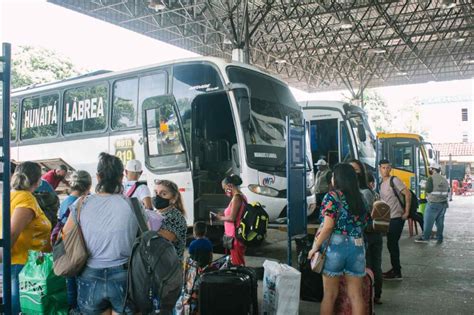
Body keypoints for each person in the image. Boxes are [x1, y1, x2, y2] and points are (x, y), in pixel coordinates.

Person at [63, 153, 137, 314]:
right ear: (121, 176)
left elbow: (66, 234)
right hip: (124, 275)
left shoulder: (81, 203)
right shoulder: (133, 205)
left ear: (98, 176)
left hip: (89, 273)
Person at [308, 163, 368, 315]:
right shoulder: (360, 197)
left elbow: (328, 226)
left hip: (335, 247)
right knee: (356, 296)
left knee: (330, 295)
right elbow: (365, 223)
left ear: (338, 178)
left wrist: (315, 247)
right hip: (357, 247)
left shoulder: (332, 197)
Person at [10, 162, 52, 314]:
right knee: (23, 308)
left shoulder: (12, 195)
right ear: (38, 180)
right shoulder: (25, 199)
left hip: (21, 263)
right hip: (23, 265)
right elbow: (12, 233)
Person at [57, 170, 92, 313]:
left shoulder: (65, 201)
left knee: (70, 284)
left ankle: (72, 309)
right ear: (88, 186)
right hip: (79, 249)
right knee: (80, 285)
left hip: (66, 248)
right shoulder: (82, 203)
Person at [350, 160, 383, 305]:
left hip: (369, 234)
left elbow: (366, 215)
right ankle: (373, 296)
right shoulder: (369, 191)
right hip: (372, 233)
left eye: (355, 170)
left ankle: (372, 296)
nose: (352, 173)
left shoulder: (363, 192)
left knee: (370, 266)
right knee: (372, 265)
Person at [378, 159, 410, 281]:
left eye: (388, 167)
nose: (386, 170)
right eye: (383, 167)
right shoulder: (381, 183)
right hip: (388, 218)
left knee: (392, 244)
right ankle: (395, 269)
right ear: (379, 168)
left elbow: (407, 194)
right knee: (391, 245)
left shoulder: (394, 180)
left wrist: (406, 212)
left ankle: (397, 272)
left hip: (397, 217)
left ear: (390, 168)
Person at [415, 162, 449, 244]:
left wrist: (424, 185)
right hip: (443, 204)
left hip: (433, 203)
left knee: (428, 222)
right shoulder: (444, 179)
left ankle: (425, 238)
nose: (430, 170)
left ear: (433, 169)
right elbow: (448, 190)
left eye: (430, 169)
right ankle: (439, 237)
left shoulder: (431, 178)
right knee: (440, 222)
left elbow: (429, 190)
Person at [216, 174, 246, 266]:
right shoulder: (239, 196)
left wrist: (221, 218)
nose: (225, 191)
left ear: (230, 185)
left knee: (238, 264)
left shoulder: (237, 198)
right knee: (237, 260)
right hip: (235, 235)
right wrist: (224, 214)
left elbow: (232, 217)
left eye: (225, 188)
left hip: (235, 236)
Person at [155, 179, 187, 261]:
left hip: (170, 267)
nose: (158, 197)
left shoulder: (175, 216)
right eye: (156, 193)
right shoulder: (157, 213)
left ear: (173, 198)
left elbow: (168, 238)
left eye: (164, 194)